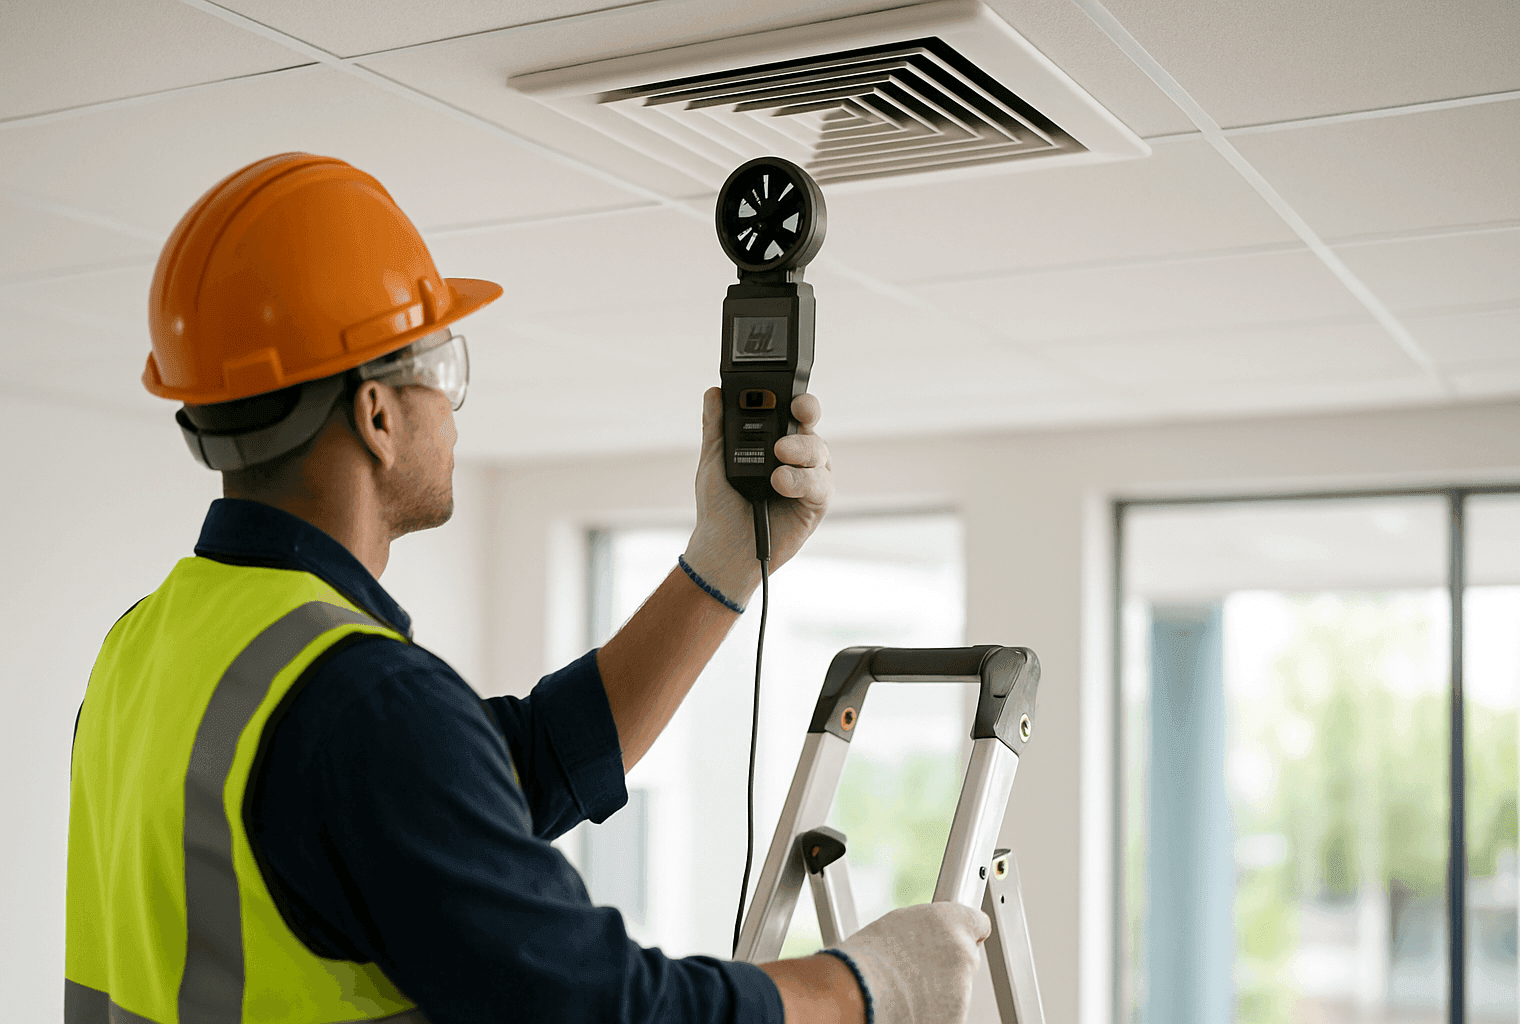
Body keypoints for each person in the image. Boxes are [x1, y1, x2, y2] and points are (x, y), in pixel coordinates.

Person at [64, 152, 989, 1024]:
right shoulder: (360, 703)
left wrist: (724, 560)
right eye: (440, 367)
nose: (453, 405)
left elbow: (504, 772)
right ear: (376, 413)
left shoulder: (147, 649)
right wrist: (861, 987)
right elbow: (600, 1006)